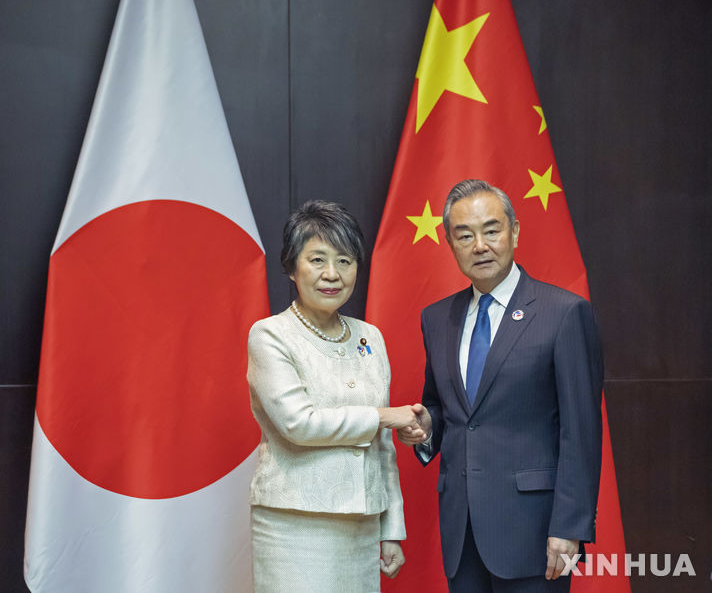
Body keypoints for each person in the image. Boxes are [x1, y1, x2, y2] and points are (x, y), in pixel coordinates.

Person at [398, 179, 603, 592]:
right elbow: (445, 408)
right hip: (462, 528)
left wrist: (570, 526)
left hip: (535, 531)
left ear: (514, 231)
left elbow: (580, 432)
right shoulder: (437, 319)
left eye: (491, 230)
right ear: (449, 242)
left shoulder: (563, 313)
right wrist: (427, 425)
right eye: (465, 234)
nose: (480, 245)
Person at [247, 200, 421, 592]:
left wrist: (391, 527)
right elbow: (299, 424)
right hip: (295, 525)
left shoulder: (368, 337)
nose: (332, 274)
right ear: (292, 268)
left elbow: (384, 446)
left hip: (362, 525)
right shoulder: (271, 335)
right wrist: (381, 415)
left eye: (344, 261)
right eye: (317, 259)